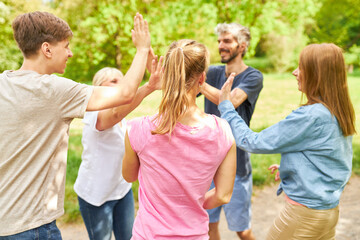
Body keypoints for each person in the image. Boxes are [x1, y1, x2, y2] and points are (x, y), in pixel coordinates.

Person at [0, 11, 151, 239]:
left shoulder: (4, 82)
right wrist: (141, 49)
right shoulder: (53, 90)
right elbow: (125, 93)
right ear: (47, 49)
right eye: (66, 46)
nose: (70, 53)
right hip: (33, 227)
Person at [218, 43, 356, 240]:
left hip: (303, 217)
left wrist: (226, 107)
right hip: (327, 213)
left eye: (301, 67)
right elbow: (330, 158)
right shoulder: (337, 111)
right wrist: (293, 167)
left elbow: (252, 141)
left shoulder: (311, 116)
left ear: (317, 74)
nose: (294, 72)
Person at [122, 39, 237, 239]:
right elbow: (223, 195)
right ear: (202, 78)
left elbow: (129, 176)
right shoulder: (222, 131)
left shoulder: (138, 129)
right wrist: (190, 204)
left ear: (166, 75)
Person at [74, 60, 162, 240]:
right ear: (99, 86)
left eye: (121, 80)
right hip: (96, 195)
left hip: (122, 190)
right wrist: (149, 87)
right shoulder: (93, 113)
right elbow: (113, 115)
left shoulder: (123, 120)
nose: (120, 84)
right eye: (113, 81)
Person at [199, 23, 263, 240]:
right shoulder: (213, 72)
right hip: (207, 163)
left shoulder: (253, 77)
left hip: (236, 164)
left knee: (242, 231)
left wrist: (198, 83)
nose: (221, 46)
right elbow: (179, 82)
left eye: (227, 41)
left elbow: (231, 100)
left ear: (242, 46)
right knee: (209, 226)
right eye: (219, 41)